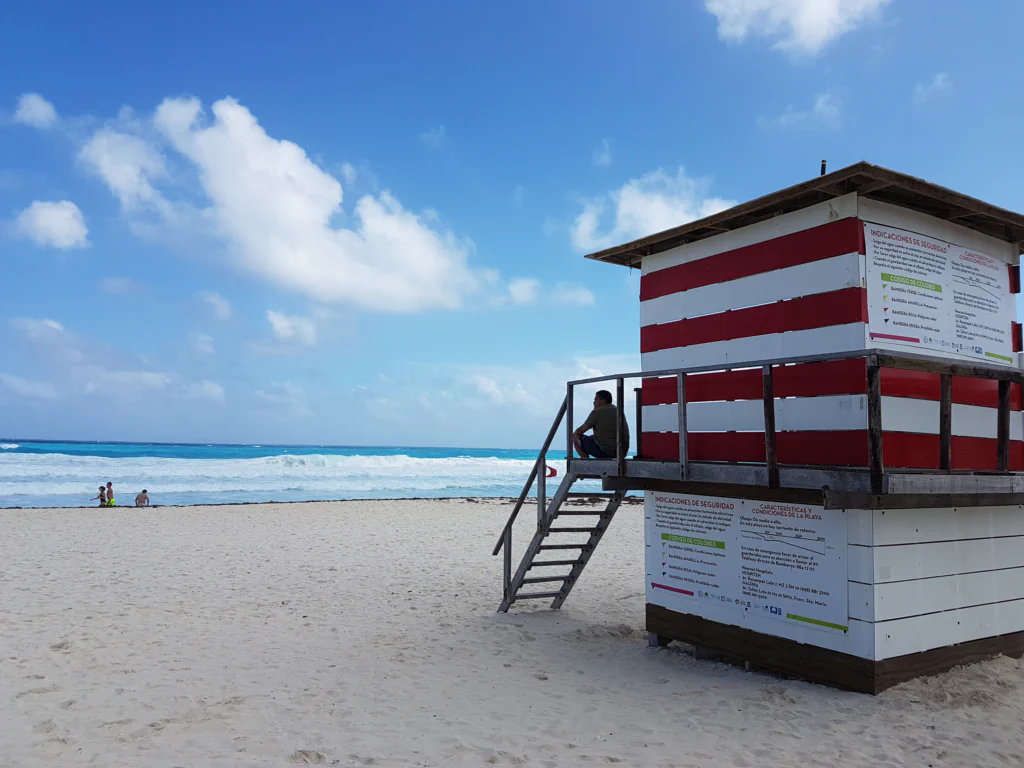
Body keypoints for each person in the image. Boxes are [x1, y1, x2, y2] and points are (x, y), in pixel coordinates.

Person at [573, 389, 629, 459]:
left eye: (595, 399)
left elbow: (580, 431)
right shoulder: (618, 410)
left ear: (602, 401)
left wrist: (576, 433)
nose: (593, 402)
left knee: (574, 436)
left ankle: (586, 461)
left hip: (606, 452)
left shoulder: (597, 411)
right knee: (592, 437)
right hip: (621, 453)